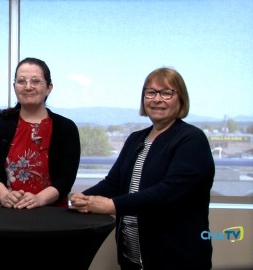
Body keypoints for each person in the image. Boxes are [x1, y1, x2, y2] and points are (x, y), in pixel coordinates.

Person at [71, 67, 214, 270]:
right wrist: (82, 199)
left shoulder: (191, 139)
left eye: (166, 93)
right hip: (133, 256)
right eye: (151, 92)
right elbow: (114, 182)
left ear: (180, 98)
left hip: (176, 258)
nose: (157, 99)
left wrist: (112, 206)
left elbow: (168, 193)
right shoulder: (135, 139)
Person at [0, 57, 81, 209]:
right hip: (5, 213)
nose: (28, 87)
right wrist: (5, 196)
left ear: (49, 88)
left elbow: (65, 179)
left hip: (51, 215)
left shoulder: (66, 128)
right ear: (14, 86)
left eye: (35, 81)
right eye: (21, 81)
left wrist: (39, 199)